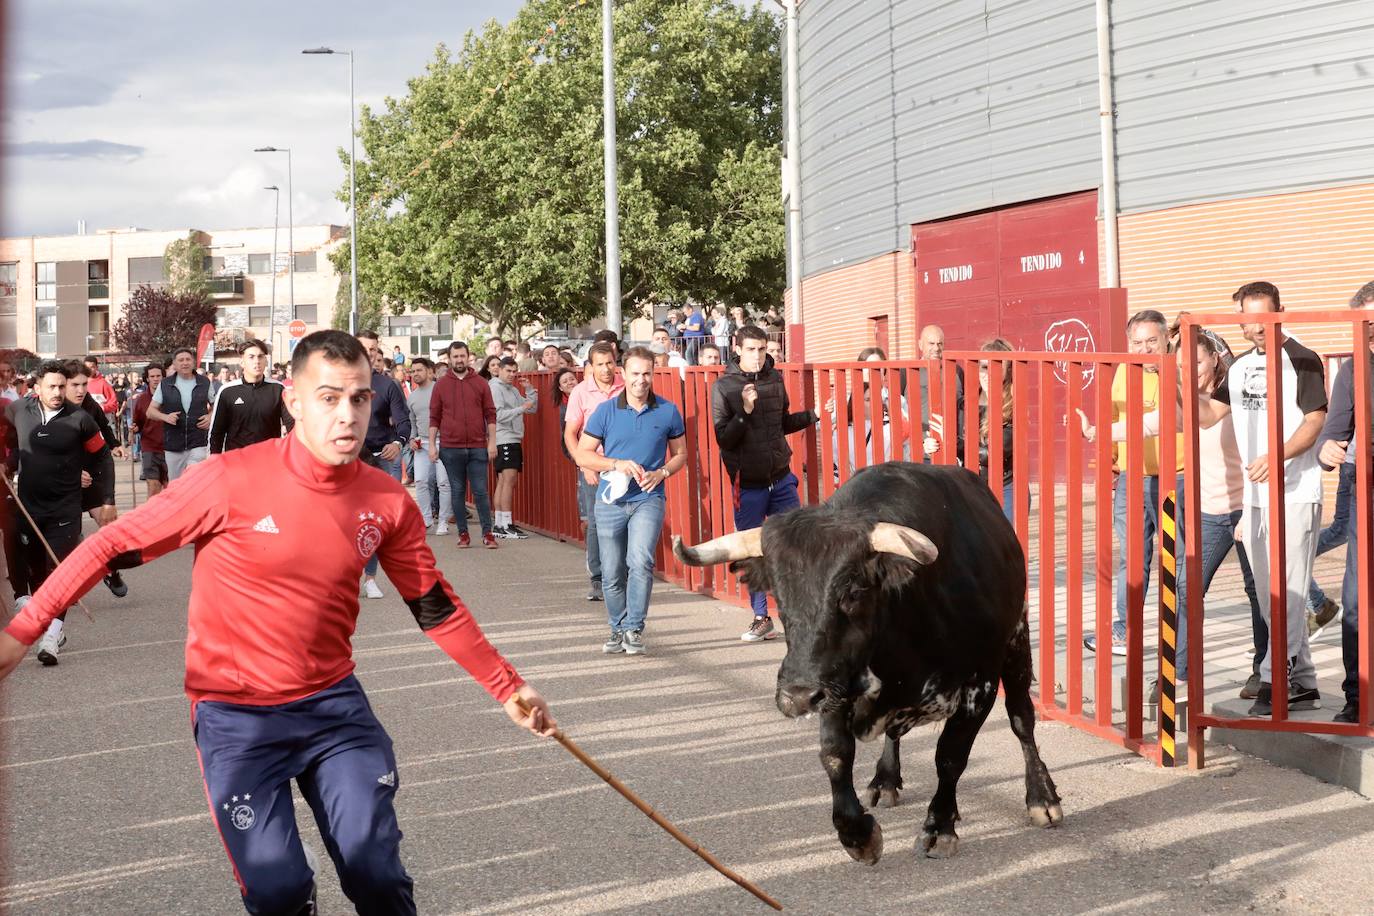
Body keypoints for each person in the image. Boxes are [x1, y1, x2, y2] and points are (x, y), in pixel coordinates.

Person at [0, 331, 556, 914]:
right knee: (278, 890)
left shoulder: (387, 500)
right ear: (292, 400)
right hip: (235, 719)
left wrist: (507, 687)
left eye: (360, 399)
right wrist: (24, 630)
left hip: (332, 710)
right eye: (329, 397)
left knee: (374, 870)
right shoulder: (229, 479)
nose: (348, 415)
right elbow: (107, 547)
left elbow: (434, 605)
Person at [1081, 331, 1263, 703]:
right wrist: (1098, 432)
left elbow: (1250, 450)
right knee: (1185, 588)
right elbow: (1149, 424)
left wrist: (1254, 508)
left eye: (1194, 362)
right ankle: (1178, 674)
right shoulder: (1184, 401)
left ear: (1214, 358)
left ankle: (1264, 671)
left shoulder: (1234, 396)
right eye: (1180, 364)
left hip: (1246, 506)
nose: (1187, 370)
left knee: (1257, 591)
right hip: (1210, 512)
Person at [1197, 282, 1327, 716]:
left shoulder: (1302, 359)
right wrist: (1178, 381)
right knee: (1274, 595)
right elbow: (1209, 415)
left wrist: (1278, 454)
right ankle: (1304, 682)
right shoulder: (1239, 368)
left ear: (1280, 312)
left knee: (1286, 594)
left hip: (1294, 491)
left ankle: (1276, 681)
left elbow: (1315, 420)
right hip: (1254, 498)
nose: (1254, 328)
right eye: (1246, 319)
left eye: (1262, 317)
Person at [1080, 311, 1188, 659]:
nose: (1143, 350)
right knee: (1131, 557)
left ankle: (1182, 641)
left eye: (1151, 341)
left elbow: (1184, 418)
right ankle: (1126, 630)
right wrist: (1111, 455)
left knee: (1178, 560)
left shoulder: (1180, 369)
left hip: (1177, 476)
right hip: (1132, 475)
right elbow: (1112, 413)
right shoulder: (1126, 369)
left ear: (1165, 340)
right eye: (1137, 342)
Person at [573, 346, 687, 656]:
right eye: (635, 373)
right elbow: (582, 453)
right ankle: (617, 626)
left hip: (648, 498)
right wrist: (614, 464)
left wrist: (662, 472)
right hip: (610, 500)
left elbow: (681, 454)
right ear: (624, 373)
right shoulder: (606, 411)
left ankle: (634, 627)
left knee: (640, 561)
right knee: (611, 571)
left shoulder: (668, 411)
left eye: (647, 373)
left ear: (654, 373)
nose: (641, 380)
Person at [712, 325, 816, 641]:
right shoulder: (724, 386)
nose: (757, 355)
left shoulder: (774, 378)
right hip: (749, 484)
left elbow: (782, 423)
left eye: (762, 349)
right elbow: (724, 439)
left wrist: (814, 416)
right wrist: (744, 412)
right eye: (751, 349)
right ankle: (761, 616)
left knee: (796, 543)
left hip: (781, 478)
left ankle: (804, 614)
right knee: (751, 550)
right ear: (737, 349)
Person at [4, 361, 108, 664]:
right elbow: (13, 441)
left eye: (63, 386)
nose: (59, 392)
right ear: (36, 388)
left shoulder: (81, 419)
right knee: (37, 575)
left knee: (58, 573)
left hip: (65, 506)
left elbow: (102, 456)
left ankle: (51, 637)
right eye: (52, 386)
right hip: (30, 505)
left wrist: (107, 498)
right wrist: (8, 464)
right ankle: (47, 621)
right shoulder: (19, 410)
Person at [1315, 279, 1374, 723]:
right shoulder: (1353, 369)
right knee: (1357, 595)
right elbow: (1335, 430)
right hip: (1363, 482)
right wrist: (1327, 449)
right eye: (1364, 320)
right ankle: (1358, 695)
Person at [564, 342, 624, 601]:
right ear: (590, 366)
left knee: (625, 520)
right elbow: (570, 433)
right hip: (594, 466)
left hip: (625, 465)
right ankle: (598, 578)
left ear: (616, 362)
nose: (606, 369)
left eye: (609, 362)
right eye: (599, 364)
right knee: (597, 521)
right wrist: (583, 463)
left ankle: (622, 575)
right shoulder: (580, 392)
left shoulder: (627, 386)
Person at [356, 330, 412, 598]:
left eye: (374, 349)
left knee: (374, 522)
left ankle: (370, 578)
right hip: (346, 461)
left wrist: (398, 443)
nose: (370, 353)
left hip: (380, 459)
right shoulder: (339, 381)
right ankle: (340, 577)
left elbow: (403, 421)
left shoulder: (388, 385)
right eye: (365, 348)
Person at [429, 341, 499, 549]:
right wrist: (432, 445)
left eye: (462, 356)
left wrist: (492, 442)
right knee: (457, 492)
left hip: (478, 446)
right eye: (455, 356)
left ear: (468, 357)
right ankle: (463, 534)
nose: (459, 360)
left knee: (480, 491)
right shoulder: (441, 384)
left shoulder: (480, 383)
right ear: (449, 359)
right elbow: (434, 417)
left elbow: (490, 414)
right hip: (451, 448)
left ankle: (488, 533)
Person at [208, 339, 293, 454]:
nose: (256, 361)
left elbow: (292, 427)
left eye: (260, 357)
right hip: (236, 460)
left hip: (270, 459)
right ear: (242, 362)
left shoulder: (278, 389)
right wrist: (214, 460)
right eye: (251, 357)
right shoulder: (227, 391)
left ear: (266, 361)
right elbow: (217, 431)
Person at [489, 357, 538, 539]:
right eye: (508, 371)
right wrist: (521, 408)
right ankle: (506, 524)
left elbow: (531, 409)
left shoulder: (512, 389)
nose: (511, 375)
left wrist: (529, 390)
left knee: (504, 482)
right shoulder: (495, 388)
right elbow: (498, 415)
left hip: (510, 438)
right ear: (499, 370)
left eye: (513, 371)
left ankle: (500, 524)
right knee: (508, 481)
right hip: (505, 438)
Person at [147, 348, 213, 481]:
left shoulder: (204, 382)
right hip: (173, 444)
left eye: (188, 359)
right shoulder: (165, 384)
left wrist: (210, 417)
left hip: (198, 441)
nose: (185, 363)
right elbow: (150, 411)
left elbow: (216, 405)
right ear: (175, 365)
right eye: (181, 360)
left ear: (193, 362)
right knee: (176, 484)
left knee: (194, 479)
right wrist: (165, 417)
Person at [407, 358, 453, 536]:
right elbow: (413, 422)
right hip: (422, 444)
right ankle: (427, 519)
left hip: (444, 442)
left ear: (429, 371)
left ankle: (443, 521)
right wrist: (412, 438)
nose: (415, 374)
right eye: (413, 371)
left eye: (419, 370)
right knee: (420, 482)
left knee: (443, 483)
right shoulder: (412, 397)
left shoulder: (441, 390)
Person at [974, 339, 1017, 522]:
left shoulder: (1014, 404)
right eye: (984, 367)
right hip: (973, 489)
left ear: (1008, 371)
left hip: (1005, 489)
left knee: (1005, 549)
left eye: (997, 366)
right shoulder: (965, 402)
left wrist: (956, 443)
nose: (988, 373)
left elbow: (993, 453)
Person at [133, 363, 168, 499]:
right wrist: (134, 428)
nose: (155, 379)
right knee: (153, 488)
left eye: (158, 376)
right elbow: (138, 424)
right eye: (152, 376)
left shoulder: (172, 396)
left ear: (163, 377)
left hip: (170, 449)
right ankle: (154, 519)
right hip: (150, 448)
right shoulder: (141, 399)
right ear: (147, 379)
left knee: (170, 488)